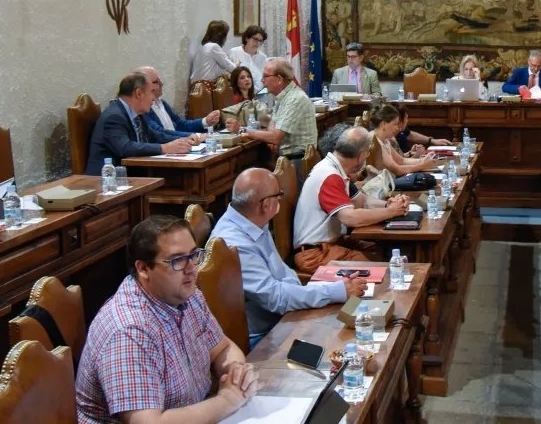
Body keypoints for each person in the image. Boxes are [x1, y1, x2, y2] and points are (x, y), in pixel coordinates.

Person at [76, 215, 259, 423]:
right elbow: (149, 423)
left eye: (193, 255)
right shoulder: (128, 332)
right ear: (143, 269)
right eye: (177, 260)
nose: (191, 268)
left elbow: (222, 348)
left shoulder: (188, 297)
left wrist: (236, 373)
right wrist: (227, 400)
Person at [211, 168, 368, 348]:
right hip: (263, 336)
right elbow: (275, 298)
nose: (280, 200)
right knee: (342, 342)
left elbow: (282, 273)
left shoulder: (251, 220)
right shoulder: (235, 244)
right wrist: (333, 292)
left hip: (284, 315)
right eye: (278, 195)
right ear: (265, 205)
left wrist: (322, 292)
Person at [292, 126, 408, 275]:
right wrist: (391, 212)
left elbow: (362, 201)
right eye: (367, 154)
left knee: (384, 250)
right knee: (381, 269)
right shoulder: (329, 175)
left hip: (332, 244)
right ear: (362, 155)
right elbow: (350, 218)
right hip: (314, 254)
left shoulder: (336, 168)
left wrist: (389, 204)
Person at [85, 73, 192, 175]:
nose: (153, 98)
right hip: (107, 180)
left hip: (134, 174)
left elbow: (156, 135)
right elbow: (125, 148)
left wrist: (184, 141)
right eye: (151, 92)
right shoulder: (114, 117)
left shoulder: (137, 114)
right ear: (139, 93)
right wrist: (165, 148)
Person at [236, 59, 316, 178]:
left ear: (279, 79)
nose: (262, 80)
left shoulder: (294, 99)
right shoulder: (283, 95)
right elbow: (273, 120)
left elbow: (276, 137)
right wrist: (271, 137)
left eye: (265, 76)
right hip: (287, 158)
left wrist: (243, 130)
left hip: (297, 161)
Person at [135, 66, 222, 142]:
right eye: (156, 82)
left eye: (159, 79)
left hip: (179, 146)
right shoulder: (142, 108)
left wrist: (205, 121)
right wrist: (196, 136)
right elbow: (160, 133)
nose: (162, 83)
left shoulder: (162, 103)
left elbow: (180, 124)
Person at [369, 103, 439, 175]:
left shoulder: (385, 140)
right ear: (384, 124)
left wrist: (423, 160)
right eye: (395, 124)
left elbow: (401, 161)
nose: (397, 128)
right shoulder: (375, 141)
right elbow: (397, 170)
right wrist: (422, 165)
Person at [227, 25, 268, 94]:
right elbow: (227, 76)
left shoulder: (263, 57)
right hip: (238, 95)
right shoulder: (233, 52)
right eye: (255, 39)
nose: (258, 43)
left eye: (260, 41)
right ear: (247, 38)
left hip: (259, 96)